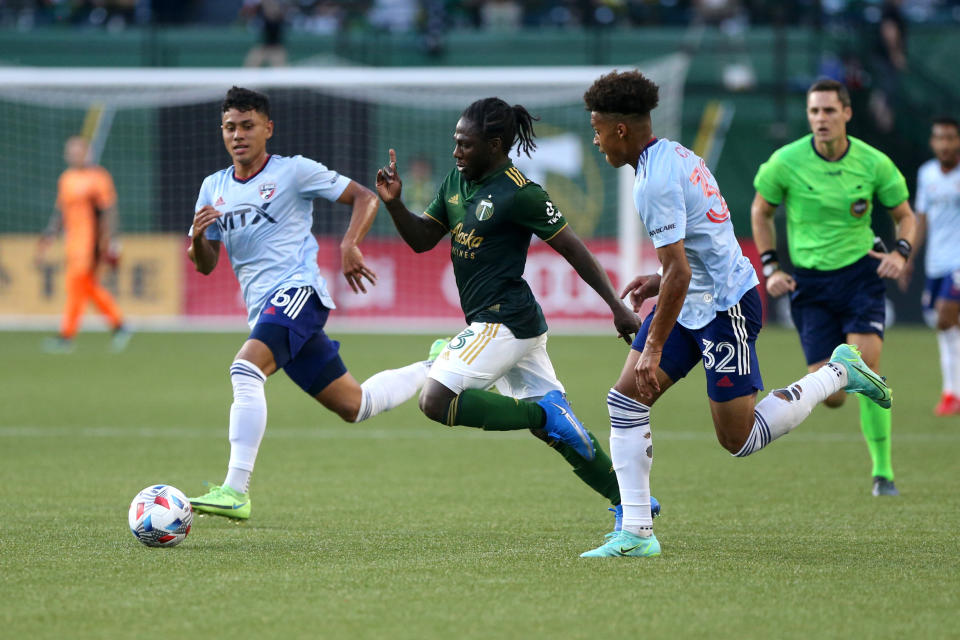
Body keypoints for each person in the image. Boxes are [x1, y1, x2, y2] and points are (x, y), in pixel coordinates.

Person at [578, 70, 892, 558]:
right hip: (692, 298)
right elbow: (700, 249)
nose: (595, 140)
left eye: (597, 129)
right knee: (625, 400)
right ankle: (636, 533)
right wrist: (661, 280)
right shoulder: (674, 154)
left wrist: (655, 341)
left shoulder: (655, 179)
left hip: (726, 307)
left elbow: (682, 271)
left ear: (620, 129)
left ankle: (837, 372)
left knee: (739, 439)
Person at [375, 97, 657, 536]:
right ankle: (632, 504)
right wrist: (394, 205)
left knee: (436, 400)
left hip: (504, 321)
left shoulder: (520, 192)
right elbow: (422, 239)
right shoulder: (456, 180)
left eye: (465, 145)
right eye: (455, 143)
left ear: (495, 144)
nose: (456, 152)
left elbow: (573, 249)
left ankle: (541, 413)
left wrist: (617, 308)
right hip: (505, 325)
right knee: (563, 436)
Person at [187, 87, 432, 520]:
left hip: (299, 293)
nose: (238, 135)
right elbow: (206, 265)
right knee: (355, 406)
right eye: (230, 127)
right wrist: (197, 238)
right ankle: (439, 364)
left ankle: (235, 490)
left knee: (245, 369)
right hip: (266, 309)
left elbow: (365, 196)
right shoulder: (214, 188)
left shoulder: (293, 171)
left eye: (247, 126)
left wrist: (350, 243)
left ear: (268, 129)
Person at [751, 78, 917, 497]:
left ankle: (883, 473)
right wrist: (770, 266)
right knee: (833, 394)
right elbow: (760, 210)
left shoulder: (873, 162)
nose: (820, 119)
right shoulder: (785, 162)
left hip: (861, 276)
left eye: (828, 111)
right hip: (810, 286)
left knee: (866, 364)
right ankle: (848, 378)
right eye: (813, 112)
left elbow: (906, 215)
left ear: (847, 113)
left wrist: (900, 252)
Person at [36, 136, 129, 353]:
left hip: (91, 243)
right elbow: (61, 212)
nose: (73, 155)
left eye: (78, 151)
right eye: (70, 151)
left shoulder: (98, 178)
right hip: (72, 242)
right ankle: (119, 325)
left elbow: (108, 210)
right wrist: (50, 233)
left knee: (77, 285)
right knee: (85, 286)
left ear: (87, 153)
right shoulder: (66, 179)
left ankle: (67, 336)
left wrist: (112, 240)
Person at [902, 116, 960, 415]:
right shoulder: (927, 174)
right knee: (945, 325)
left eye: (951, 137)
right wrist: (909, 258)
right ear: (933, 142)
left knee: (944, 318)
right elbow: (920, 218)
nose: (946, 144)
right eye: (940, 138)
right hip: (936, 262)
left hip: (958, 263)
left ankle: (952, 393)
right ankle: (952, 391)